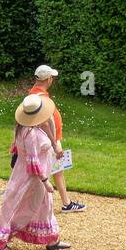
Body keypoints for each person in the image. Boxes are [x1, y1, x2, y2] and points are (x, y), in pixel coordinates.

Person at [0, 94, 71, 250]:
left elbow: (46, 123)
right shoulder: (30, 134)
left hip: (34, 177)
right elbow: (34, 164)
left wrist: (55, 145)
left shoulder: (27, 127)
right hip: (32, 179)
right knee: (21, 208)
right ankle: (1, 243)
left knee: (45, 205)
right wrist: (46, 181)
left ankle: (52, 240)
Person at [29, 65, 84, 212]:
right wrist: (55, 144)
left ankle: (66, 203)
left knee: (57, 170)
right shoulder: (38, 98)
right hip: (48, 142)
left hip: (49, 140)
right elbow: (44, 122)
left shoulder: (36, 95)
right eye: (51, 77)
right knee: (44, 173)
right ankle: (39, 207)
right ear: (48, 79)